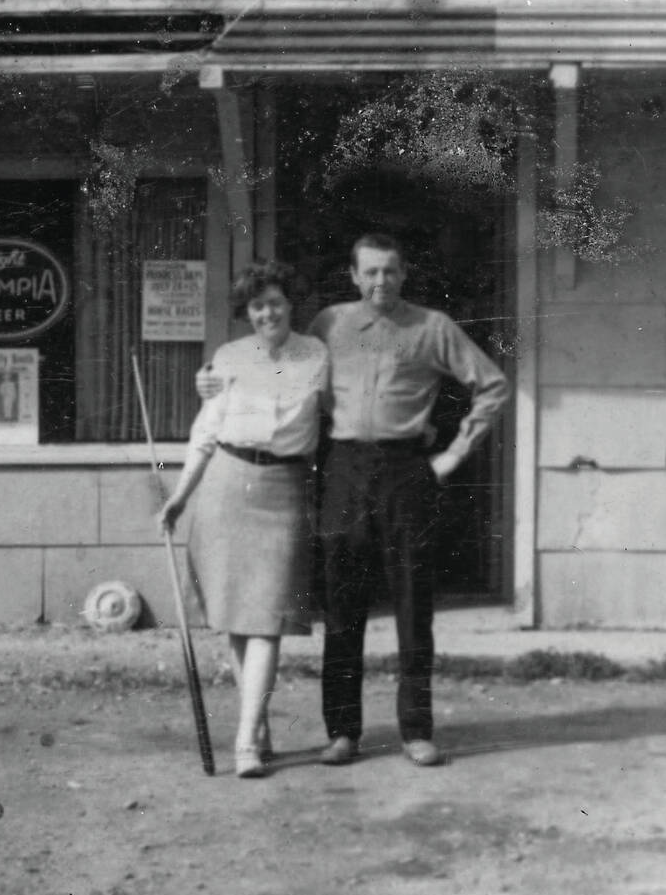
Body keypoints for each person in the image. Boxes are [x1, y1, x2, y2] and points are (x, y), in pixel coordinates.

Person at [209, 232, 508, 769]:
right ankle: (343, 731)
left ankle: (416, 730)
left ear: (404, 272)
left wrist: (453, 455)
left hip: (406, 471)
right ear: (352, 276)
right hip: (344, 467)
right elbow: (286, 373)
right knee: (343, 606)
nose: (380, 282)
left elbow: (493, 386)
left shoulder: (432, 328)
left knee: (414, 605)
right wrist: (214, 383)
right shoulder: (329, 324)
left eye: (389, 271)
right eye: (369, 272)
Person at [159, 261, 328, 779]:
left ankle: (244, 741)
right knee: (238, 616)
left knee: (267, 618)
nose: (267, 313)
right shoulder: (227, 358)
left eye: (275, 302)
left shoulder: (315, 354)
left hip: (283, 488)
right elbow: (206, 431)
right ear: (246, 312)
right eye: (257, 306)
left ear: (290, 305)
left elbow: (311, 416)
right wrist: (179, 497)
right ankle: (256, 730)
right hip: (226, 486)